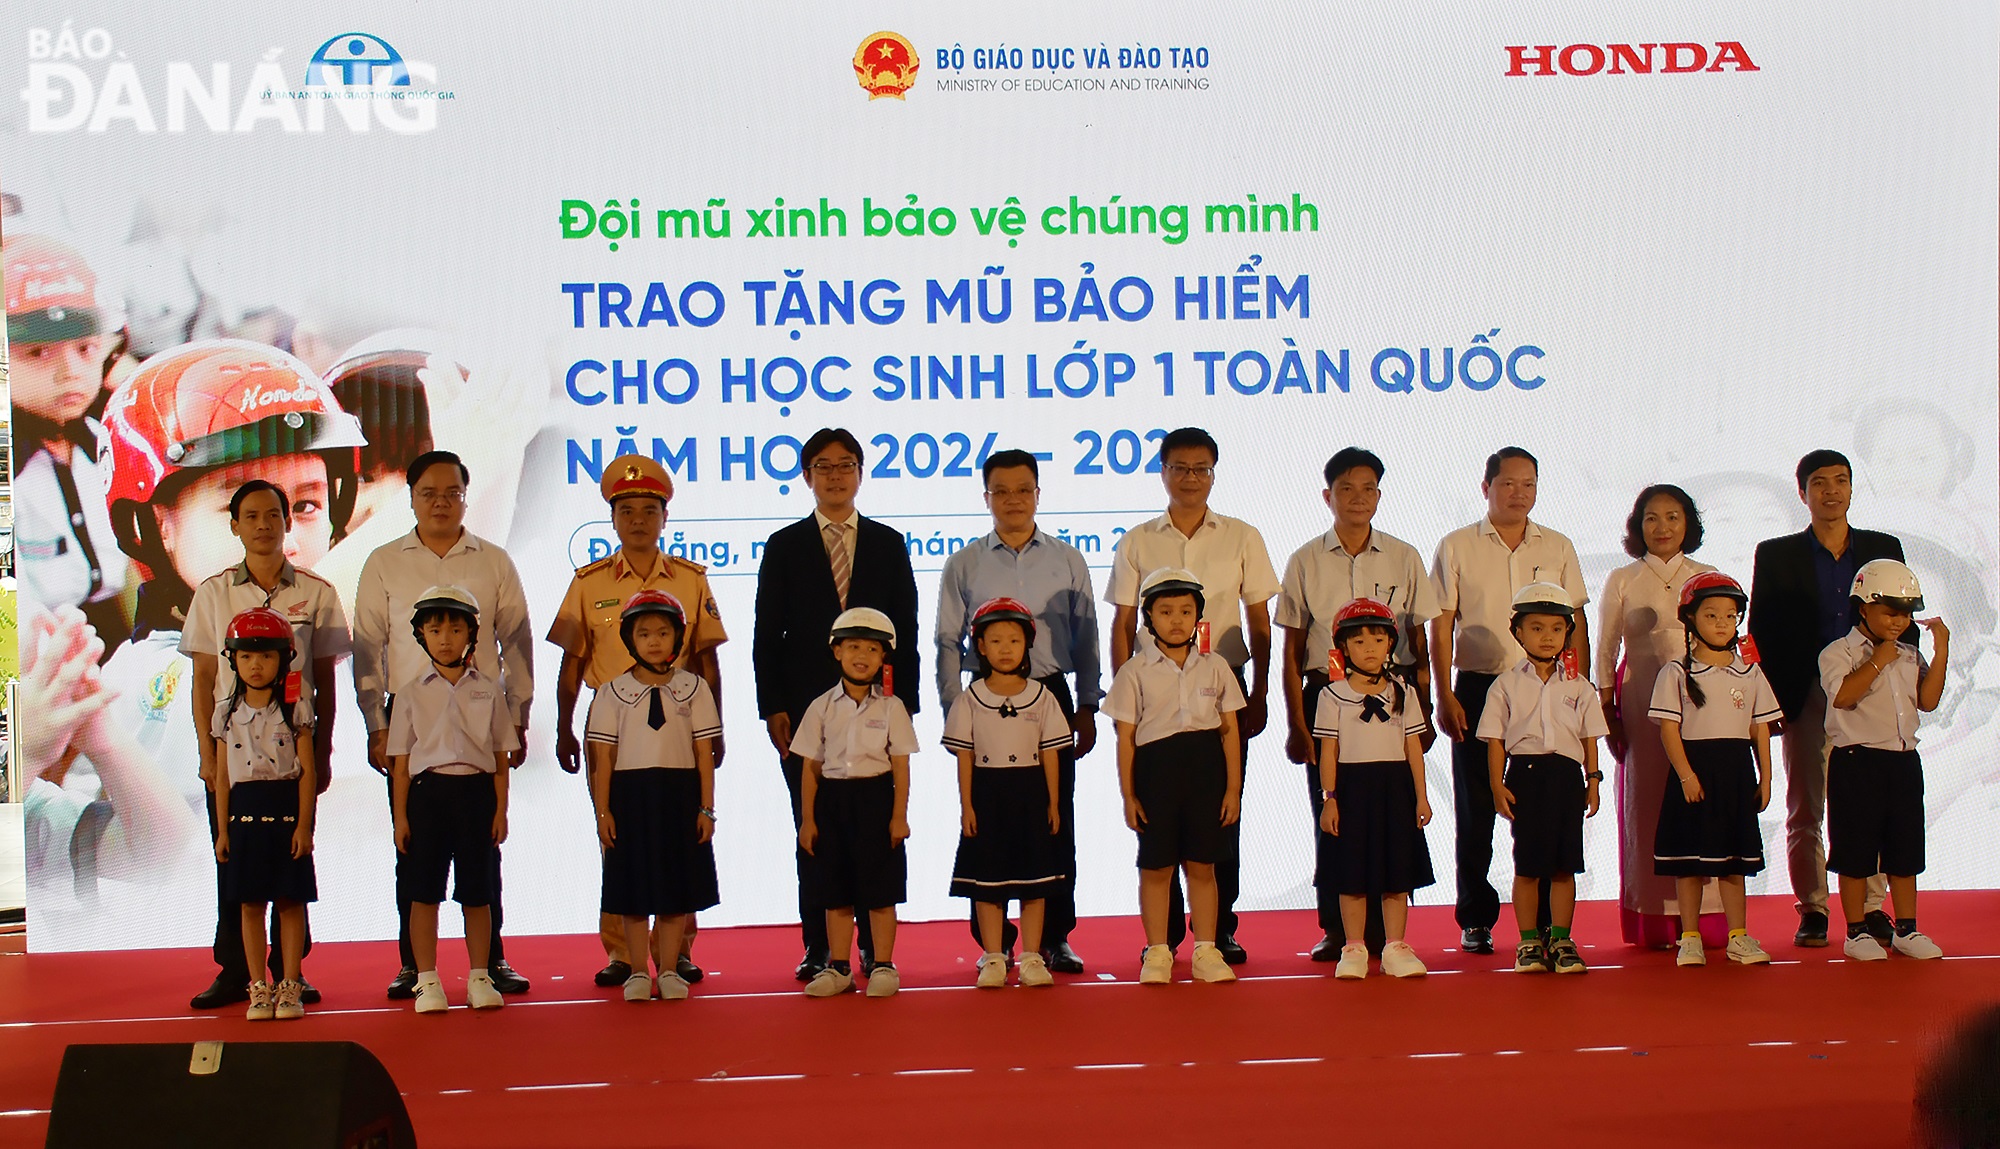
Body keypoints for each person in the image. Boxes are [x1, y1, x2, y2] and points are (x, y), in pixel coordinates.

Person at [91, 340, 361, 982]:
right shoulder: (147, 677)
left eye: (306, 505)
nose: (282, 539)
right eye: (240, 510)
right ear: (157, 525)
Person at [353, 450, 534, 999]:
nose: (440, 502)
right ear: (410, 497)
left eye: (451, 492)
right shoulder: (383, 561)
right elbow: (368, 648)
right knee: (413, 848)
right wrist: (374, 723)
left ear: (465, 495)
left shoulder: (493, 561)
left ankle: (490, 960)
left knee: (484, 852)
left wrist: (519, 715)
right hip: (412, 729)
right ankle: (415, 966)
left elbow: (517, 644)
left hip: (480, 725)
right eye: (428, 492)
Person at [551, 454, 727, 989]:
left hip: (679, 722)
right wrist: (563, 726)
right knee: (617, 834)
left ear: (664, 517)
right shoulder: (589, 582)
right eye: (626, 510)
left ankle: (680, 950)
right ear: (612, 517)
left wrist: (717, 727)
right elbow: (572, 660)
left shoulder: (692, 580)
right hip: (611, 728)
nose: (638, 520)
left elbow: (708, 659)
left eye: (649, 510)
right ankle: (623, 954)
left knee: (682, 835)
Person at [754, 429, 920, 981]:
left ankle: (878, 950)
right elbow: (766, 634)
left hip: (876, 713)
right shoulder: (784, 545)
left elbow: (908, 632)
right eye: (822, 467)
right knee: (815, 831)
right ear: (806, 476)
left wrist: (902, 704)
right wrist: (773, 704)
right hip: (806, 714)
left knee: (874, 834)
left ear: (860, 472)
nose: (834, 476)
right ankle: (820, 948)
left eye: (845, 465)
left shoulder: (888, 543)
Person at [1106, 428, 1277, 963]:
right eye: (1180, 467)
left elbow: (1258, 617)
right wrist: (1124, 690)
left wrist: (1263, 690)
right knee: (1160, 819)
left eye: (1201, 469)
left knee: (1222, 813)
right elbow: (1123, 621)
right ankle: (1165, 938)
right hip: (1152, 689)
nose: (1190, 478)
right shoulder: (1138, 539)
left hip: (1222, 688)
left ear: (1213, 473)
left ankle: (1219, 930)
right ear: (1162, 471)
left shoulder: (1242, 535)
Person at [182, 480, 349, 1009]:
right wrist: (209, 759)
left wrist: (320, 756)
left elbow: (324, 679)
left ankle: (291, 973)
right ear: (235, 525)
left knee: (291, 861)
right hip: (233, 758)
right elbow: (204, 679)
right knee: (235, 866)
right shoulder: (213, 593)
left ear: (286, 521)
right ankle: (238, 971)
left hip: (289, 755)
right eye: (250, 515)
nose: (263, 525)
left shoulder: (318, 592)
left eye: (273, 514)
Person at [935, 448, 1099, 973]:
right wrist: (952, 708)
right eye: (1001, 491)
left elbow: (1088, 636)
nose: (1012, 500)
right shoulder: (964, 562)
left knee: (1054, 819)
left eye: (1022, 489)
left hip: (1050, 693)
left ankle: (1054, 938)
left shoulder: (1067, 558)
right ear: (986, 497)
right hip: (983, 698)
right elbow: (945, 640)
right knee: (987, 818)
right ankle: (993, 945)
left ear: (1037, 493)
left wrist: (1089, 704)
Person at [1276, 447, 1437, 961]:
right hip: (1327, 693)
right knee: (1333, 812)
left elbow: (1419, 640)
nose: (1358, 498)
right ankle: (1337, 930)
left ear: (1379, 496)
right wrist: (1296, 721)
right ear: (1328, 496)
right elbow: (1293, 649)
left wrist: (1426, 708)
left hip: (1394, 694)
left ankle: (1390, 934)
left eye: (1368, 488)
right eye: (1346, 488)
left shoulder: (1404, 556)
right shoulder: (1304, 558)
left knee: (1391, 810)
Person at [1430, 446, 1591, 955]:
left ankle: (1545, 924)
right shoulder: (1457, 545)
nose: (1519, 493)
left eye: (1529, 484)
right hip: (1479, 686)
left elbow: (1578, 620)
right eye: (1508, 484)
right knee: (1477, 808)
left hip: (1547, 684)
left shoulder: (1558, 545)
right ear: (1487, 488)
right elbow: (1441, 624)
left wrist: (1576, 681)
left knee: (1544, 809)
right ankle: (1476, 918)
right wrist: (1444, 693)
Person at [1747, 449, 1906, 948]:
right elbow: (1763, 629)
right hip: (1806, 693)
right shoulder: (1776, 553)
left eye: (1841, 480)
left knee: (1869, 803)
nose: (1831, 490)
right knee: (1806, 806)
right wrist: (1773, 700)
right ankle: (1813, 907)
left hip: (1871, 689)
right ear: (1803, 493)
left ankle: (1873, 908)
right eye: (1820, 482)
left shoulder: (1884, 547)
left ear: (1853, 489)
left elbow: (1901, 614)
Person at [1105, 569, 1243, 987]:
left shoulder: (1215, 665)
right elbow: (1126, 737)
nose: (1177, 620)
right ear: (1148, 618)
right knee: (1156, 866)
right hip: (1156, 772)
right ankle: (1159, 949)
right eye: (1166, 612)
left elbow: (1230, 729)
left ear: (1199, 615)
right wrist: (1129, 795)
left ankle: (1206, 948)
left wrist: (1233, 788)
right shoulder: (1135, 671)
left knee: (1203, 865)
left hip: (1205, 772)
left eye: (1186, 611)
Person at [1595, 484, 1717, 946]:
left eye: (1672, 517)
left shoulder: (1707, 574)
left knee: (1699, 798)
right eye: (1651, 518)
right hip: (1640, 698)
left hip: (1701, 699)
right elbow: (1605, 648)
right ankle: (1654, 918)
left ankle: (1704, 919)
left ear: (1688, 523)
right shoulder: (1622, 579)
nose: (1661, 527)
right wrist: (1607, 708)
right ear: (1637, 525)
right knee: (1646, 803)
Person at [586, 590, 722, 1003]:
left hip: (679, 794)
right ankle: (636, 970)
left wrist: (706, 808)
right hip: (630, 796)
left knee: (675, 884)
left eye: (664, 632)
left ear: (677, 638)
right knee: (632, 887)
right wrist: (603, 810)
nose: (655, 641)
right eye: (644, 633)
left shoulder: (693, 688)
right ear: (629, 639)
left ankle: (667, 967)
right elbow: (603, 758)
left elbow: (704, 754)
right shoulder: (611, 693)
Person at [388, 586, 517, 1013]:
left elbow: (500, 757)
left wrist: (501, 809)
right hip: (428, 796)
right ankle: (427, 979)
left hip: (476, 795)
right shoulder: (409, 693)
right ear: (421, 634)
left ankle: (479, 975)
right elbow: (402, 763)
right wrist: (400, 818)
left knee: (478, 891)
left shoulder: (488, 690)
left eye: (456, 628)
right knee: (423, 892)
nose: (445, 637)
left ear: (471, 635)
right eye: (435, 628)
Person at [1647, 572, 1779, 967]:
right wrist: (1686, 775)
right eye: (1711, 615)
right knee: (1689, 861)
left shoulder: (1750, 672)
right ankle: (1690, 937)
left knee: (1733, 861)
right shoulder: (1676, 673)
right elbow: (1670, 730)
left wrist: (1766, 777)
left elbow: (1760, 726)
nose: (1723, 623)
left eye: (1730, 615)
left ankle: (1738, 935)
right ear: (1690, 619)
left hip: (1736, 772)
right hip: (1696, 772)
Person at [1820, 559, 1949, 961]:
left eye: (1906, 613)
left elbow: (1927, 701)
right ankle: (1856, 932)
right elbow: (1843, 697)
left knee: (1905, 850)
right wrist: (1879, 658)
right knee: (1855, 851)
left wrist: (1940, 649)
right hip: (1856, 761)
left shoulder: (1910, 654)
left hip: (1903, 761)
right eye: (1890, 611)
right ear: (1864, 607)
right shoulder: (1838, 652)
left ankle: (1906, 930)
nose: (1899, 621)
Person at [1478, 583, 1609, 975]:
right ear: (1517, 631)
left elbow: (1589, 737)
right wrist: (1497, 784)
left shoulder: (1579, 685)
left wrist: (1594, 781)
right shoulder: (1506, 684)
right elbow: (1496, 740)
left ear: (1568, 632)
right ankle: (1529, 940)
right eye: (1536, 628)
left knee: (1565, 865)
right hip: (1526, 776)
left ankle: (1563, 938)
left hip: (1567, 777)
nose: (1547, 636)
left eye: (1556, 628)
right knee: (1528, 864)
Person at [5, 234, 130, 639]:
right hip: (38, 644)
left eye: (85, 349)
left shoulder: (109, 442)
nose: (70, 372)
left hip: (120, 624)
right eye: (39, 353)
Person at [945, 598, 1070, 989]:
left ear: (1027, 645)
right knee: (989, 880)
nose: (1004, 648)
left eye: (1013, 640)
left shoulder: (1042, 696)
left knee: (1035, 880)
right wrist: (967, 805)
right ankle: (995, 955)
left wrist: (1052, 801)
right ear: (979, 646)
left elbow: (1051, 754)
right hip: (988, 792)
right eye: (994, 640)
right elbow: (964, 756)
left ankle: (1033, 955)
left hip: (1030, 792)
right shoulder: (970, 699)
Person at [794, 608, 917, 998]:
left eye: (871, 648)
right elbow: (811, 766)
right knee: (836, 892)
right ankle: (839, 966)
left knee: (880, 890)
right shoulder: (821, 706)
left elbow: (901, 765)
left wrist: (899, 816)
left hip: (876, 800)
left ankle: (883, 964)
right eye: (852, 647)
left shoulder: (892, 707)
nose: (861, 655)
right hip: (833, 802)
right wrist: (808, 820)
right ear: (836, 652)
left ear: (884, 657)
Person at [1311, 598, 1435, 980]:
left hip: (1394, 787)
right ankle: (1354, 946)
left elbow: (1413, 747)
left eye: (1378, 639)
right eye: (1359, 641)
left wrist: (1421, 796)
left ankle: (1395, 945)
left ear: (1390, 644)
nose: (1369, 648)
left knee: (1397, 870)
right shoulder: (1331, 696)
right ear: (1343, 648)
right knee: (1352, 873)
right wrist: (1329, 799)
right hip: (1352, 788)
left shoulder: (1404, 692)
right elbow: (1328, 751)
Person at [209, 607, 317, 1020]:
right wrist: (222, 831)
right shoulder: (226, 712)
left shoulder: (295, 708)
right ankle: (259, 987)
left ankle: (290, 984)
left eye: (267, 655)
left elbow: (306, 772)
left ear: (283, 659)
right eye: (247, 656)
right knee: (250, 904)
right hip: (244, 813)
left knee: (291, 901)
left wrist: (304, 824)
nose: (257, 665)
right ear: (232, 659)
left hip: (285, 808)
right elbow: (221, 777)